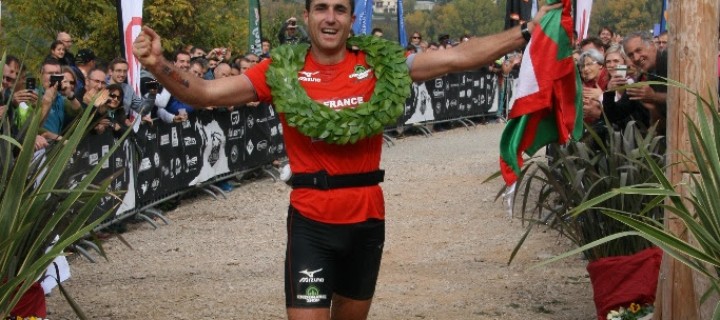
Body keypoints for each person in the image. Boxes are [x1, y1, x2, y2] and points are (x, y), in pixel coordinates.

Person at [133, 1, 559, 319]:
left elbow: (454, 58)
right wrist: (157, 64)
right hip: (311, 223)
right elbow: (205, 94)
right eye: (321, 8)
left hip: (367, 219)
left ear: (352, 19)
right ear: (307, 16)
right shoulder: (279, 69)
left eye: (340, 8)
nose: (331, 17)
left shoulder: (377, 62)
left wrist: (527, 33)